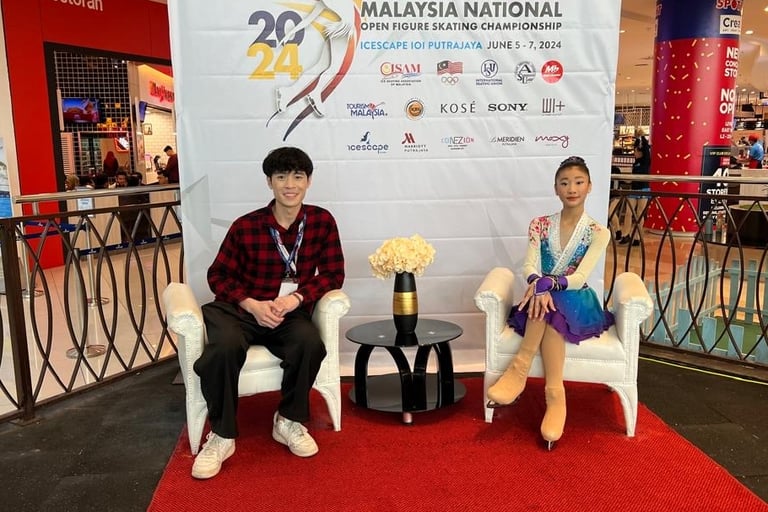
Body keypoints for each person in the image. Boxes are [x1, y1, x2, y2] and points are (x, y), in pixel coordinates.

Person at [191, 146, 345, 479]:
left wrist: (298, 298)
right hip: (241, 309)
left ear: (308, 181)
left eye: (297, 176)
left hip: (287, 311)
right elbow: (217, 275)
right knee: (224, 347)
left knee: (309, 343)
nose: (290, 184)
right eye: (281, 177)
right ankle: (221, 434)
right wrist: (249, 303)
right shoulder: (246, 226)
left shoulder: (321, 221)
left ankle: (288, 420)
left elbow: (334, 274)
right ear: (269, 183)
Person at [486, 156, 615, 449]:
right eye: (565, 183)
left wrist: (551, 284)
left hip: (577, 300)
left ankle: (519, 371)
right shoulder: (540, 225)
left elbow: (581, 277)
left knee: (551, 303)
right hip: (540, 296)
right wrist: (537, 283)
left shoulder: (598, 232)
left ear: (589, 186)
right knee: (546, 305)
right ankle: (555, 396)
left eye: (579, 182)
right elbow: (529, 265)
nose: (572, 188)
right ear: (556, 188)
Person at [618, 137, 651, 246]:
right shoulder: (635, 162)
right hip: (634, 188)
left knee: (639, 214)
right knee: (628, 212)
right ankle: (625, 234)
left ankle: (637, 236)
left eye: (636, 151)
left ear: (641, 152)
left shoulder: (646, 160)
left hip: (643, 189)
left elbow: (645, 146)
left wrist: (641, 138)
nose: (634, 153)